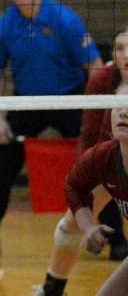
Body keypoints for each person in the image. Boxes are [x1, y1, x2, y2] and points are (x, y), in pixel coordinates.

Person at [0, 0, 103, 258]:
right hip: (26, 102)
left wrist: (98, 113)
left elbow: (95, 67)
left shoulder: (64, 19)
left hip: (70, 99)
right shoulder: (3, 26)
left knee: (98, 163)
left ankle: (116, 240)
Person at [34, 24, 128, 295]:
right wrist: (87, 169)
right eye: (119, 48)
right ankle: (52, 287)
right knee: (71, 223)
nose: (124, 54)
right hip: (109, 162)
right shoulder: (101, 80)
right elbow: (87, 133)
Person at [62, 82, 128, 296]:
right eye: (117, 105)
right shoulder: (102, 157)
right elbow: (74, 185)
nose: (123, 113)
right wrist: (88, 226)